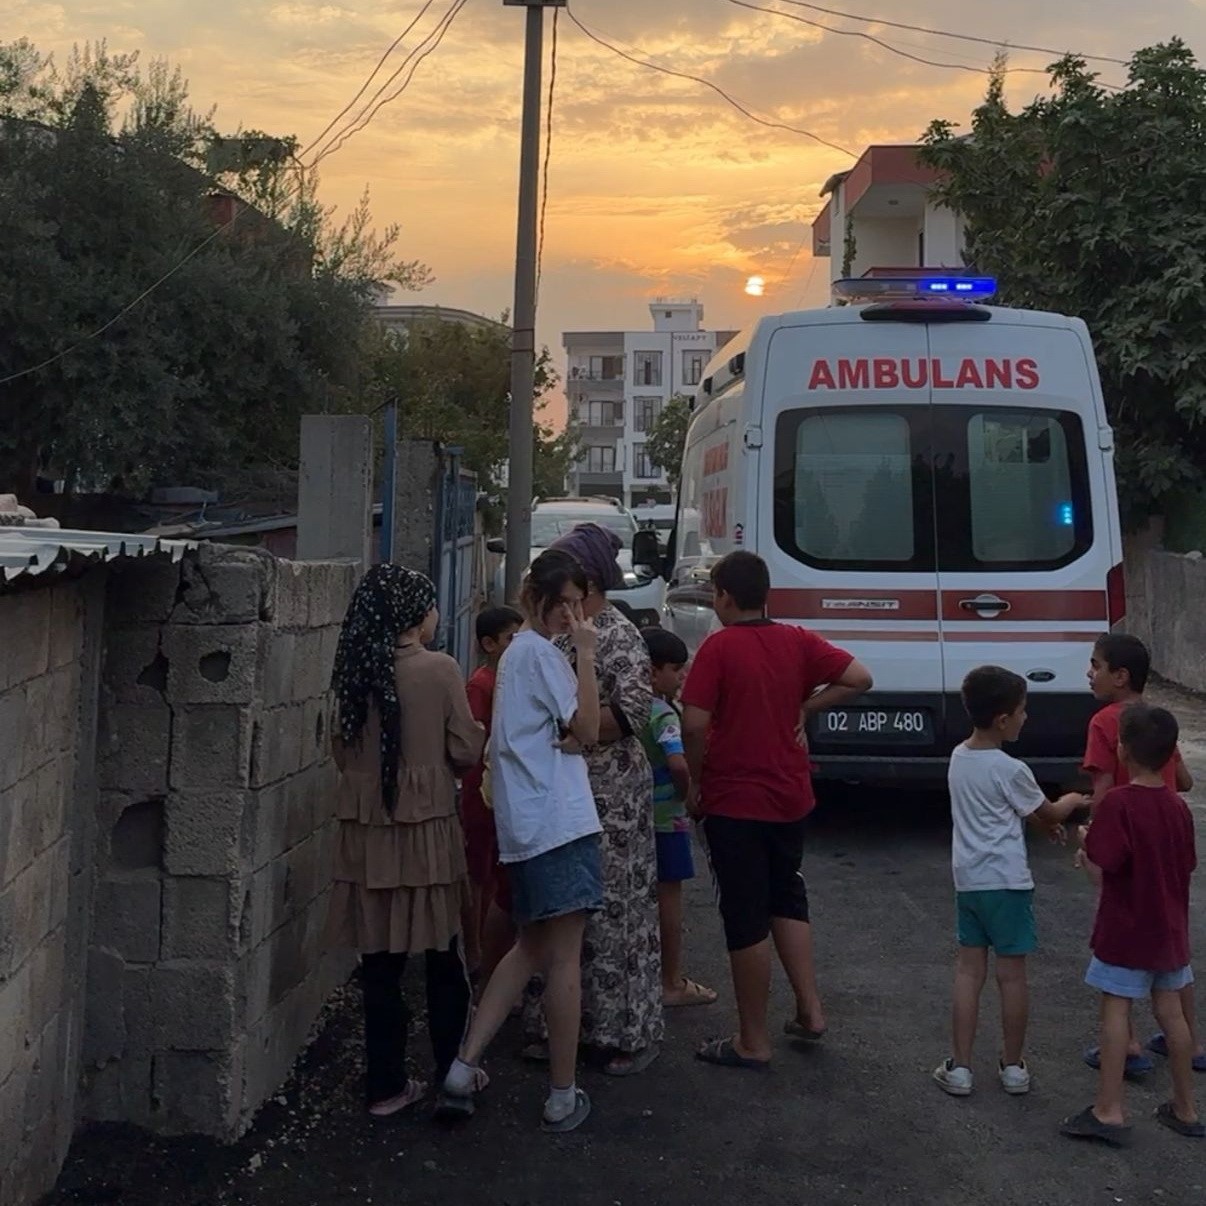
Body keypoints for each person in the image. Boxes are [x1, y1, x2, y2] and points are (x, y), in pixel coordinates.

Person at [681, 550, 872, 1070]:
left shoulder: (718, 649)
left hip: (734, 799)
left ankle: (752, 1040)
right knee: (786, 893)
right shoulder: (798, 640)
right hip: (790, 795)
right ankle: (811, 1010)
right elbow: (860, 677)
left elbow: (694, 724)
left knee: (744, 916)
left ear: (723, 595)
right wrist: (804, 707)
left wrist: (695, 781)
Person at [439, 551, 602, 1133]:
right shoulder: (545, 655)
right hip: (558, 822)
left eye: (579, 604)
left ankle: (462, 1067)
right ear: (537, 598)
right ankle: (562, 1093)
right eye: (563, 603)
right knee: (563, 958)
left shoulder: (514, 657)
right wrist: (585, 655)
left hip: (524, 823)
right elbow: (587, 728)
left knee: (528, 947)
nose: (572, 615)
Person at [327, 564, 484, 1117]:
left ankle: (385, 1086)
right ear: (418, 615)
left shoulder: (351, 673)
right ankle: (452, 1073)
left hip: (369, 837)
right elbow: (466, 749)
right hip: (429, 833)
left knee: (380, 965)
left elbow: (341, 753)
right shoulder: (440, 669)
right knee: (443, 957)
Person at [523, 525, 664, 1078]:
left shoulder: (620, 635)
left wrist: (574, 730)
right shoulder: (558, 632)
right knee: (562, 908)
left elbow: (630, 714)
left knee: (611, 914)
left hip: (611, 798)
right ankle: (554, 1028)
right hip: (562, 788)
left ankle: (616, 1033)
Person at [932, 666, 1088, 1097]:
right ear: (1003, 719)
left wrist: (1038, 823)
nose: (1026, 718)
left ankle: (960, 1067)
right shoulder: (1011, 767)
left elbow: (1005, 813)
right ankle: (1013, 1066)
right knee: (1012, 977)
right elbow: (1048, 811)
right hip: (1009, 883)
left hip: (970, 882)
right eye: (1022, 711)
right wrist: (1072, 800)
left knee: (968, 972)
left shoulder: (959, 759)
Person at [1062, 703, 1203, 1146]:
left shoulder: (1119, 804)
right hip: (1169, 930)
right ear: (1171, 753)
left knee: (1116, 1011)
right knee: (1172, 1014)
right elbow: (1187, 865)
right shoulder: (1178, 808)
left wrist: (1086, 847)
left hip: (1125, 929)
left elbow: (1103, 870)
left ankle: (1109, 1108)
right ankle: (1186, 1107)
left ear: (1122, 749)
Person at [1081, 633, 1202, 1075]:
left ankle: (1126, 1043)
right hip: (1168, 844)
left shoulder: (1104, 723)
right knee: (1173, 949)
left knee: (1118, 945)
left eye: (1095, 665)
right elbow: (1185, 782)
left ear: (1120, 675)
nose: (1089, 673)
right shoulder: (1159, 720)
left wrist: (1091, 844)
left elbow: (1102, 791)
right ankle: (1190, 1040)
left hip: (1128, 846)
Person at [641, 626, 717, 1008]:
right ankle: (670, 980)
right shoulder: (664, 715)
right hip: (668, 820)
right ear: (653, 672)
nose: (683, 676)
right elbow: (676, 761)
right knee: (669, 898)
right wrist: (689, 793)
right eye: (677, 668)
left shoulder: (630, 707)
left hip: (637, 818)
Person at [461, 605, 523, 982]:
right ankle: (474, 949)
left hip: (501, 789)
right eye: (510, 639)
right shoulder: (481, 685)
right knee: (478, 872)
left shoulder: (505, 682)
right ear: (489, 644)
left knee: (495, 874)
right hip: (480, 791)